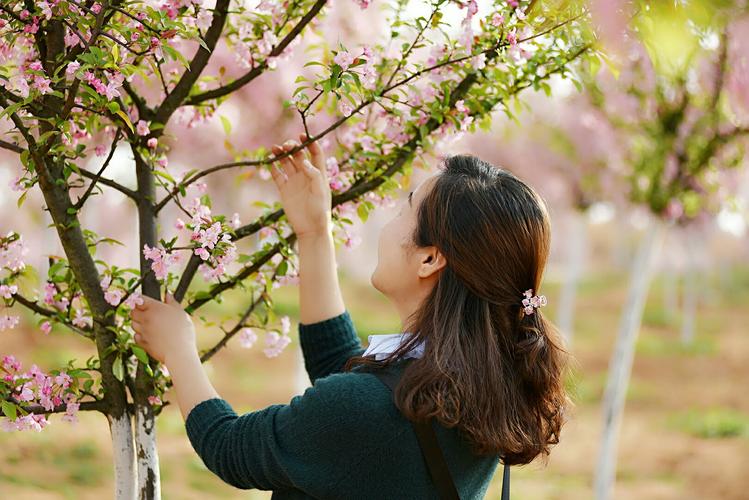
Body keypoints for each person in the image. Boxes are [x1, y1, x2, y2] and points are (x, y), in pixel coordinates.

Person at [130, 133, 571, 499]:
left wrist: (178, 351)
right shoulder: (479, 385)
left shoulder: (372, 410)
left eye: (405, 208)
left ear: (429, 259)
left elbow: (231, 447)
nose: (389, 219)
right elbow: (351, 378)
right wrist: (314, 233)